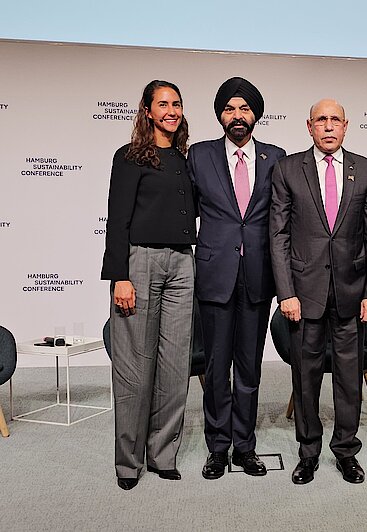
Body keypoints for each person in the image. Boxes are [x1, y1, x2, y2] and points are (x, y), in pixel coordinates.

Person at [269, 99, 367, 485]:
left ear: (346, 126)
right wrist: (285, 292)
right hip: (304, 293)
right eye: (322, 120)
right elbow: (278, 235)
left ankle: (347, 451)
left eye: (336, 119)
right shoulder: (287, 170)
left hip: (352, 292)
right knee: (305, 377)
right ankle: (308, 452)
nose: (329, 126)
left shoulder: (366, 170)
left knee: (349, 377)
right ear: (310, 126)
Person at [187, 77, 286, 480]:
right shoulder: (199, 155)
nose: (237, 116)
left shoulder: (276, 157)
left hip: (258, 275)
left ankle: (245, 446)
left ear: (256, 115)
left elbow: (282, 218)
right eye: (229, 109)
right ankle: (217, 447)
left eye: (244, 108)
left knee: (248, 368)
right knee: (215, 367)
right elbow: (185, 212)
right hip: (215, 275)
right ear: (220, 116)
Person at [101, 80, 196, 490]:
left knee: (175, 366)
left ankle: (162, 455)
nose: (171, 110)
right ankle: (128, 462)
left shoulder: (185, 158)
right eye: (163, 104)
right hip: (139, 262)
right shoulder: (129, 157)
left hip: (183, 263)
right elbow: (117, 219)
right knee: (134, 369)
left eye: (177, 103)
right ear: (147, 110)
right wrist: (119, 276)